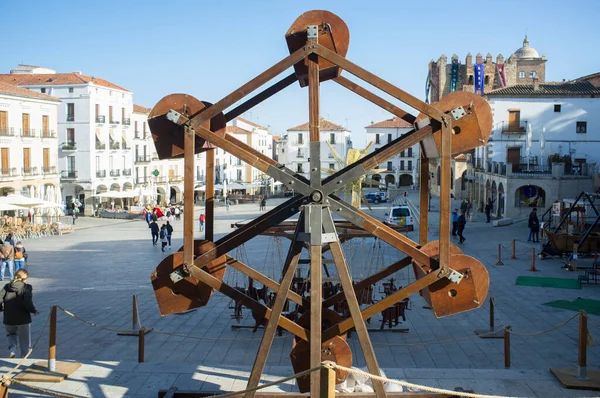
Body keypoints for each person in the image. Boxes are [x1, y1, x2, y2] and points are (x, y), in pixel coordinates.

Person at [0, 269, 39, 358]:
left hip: (8, 318)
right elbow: (27, 301)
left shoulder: (7, 286)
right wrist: (33, 310)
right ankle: (24, 357)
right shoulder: (26, 287)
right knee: (24, 340)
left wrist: (1, 309)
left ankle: (12, 350)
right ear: (25, 278)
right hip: (23, 318)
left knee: (11, 334)